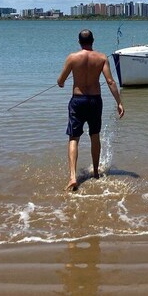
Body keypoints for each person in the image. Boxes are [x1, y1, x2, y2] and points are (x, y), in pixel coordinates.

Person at [57, 29, 124, 192]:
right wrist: (119, 102)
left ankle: (73, 177)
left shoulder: (72, 58)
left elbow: (61, 81)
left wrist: (61, 82)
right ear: (93, 40)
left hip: (77, 101)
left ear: (79, 42)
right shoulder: (101, 58)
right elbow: (110, 81)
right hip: (95, 101)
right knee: (95, 136)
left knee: (74, 138)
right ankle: (95, 172)